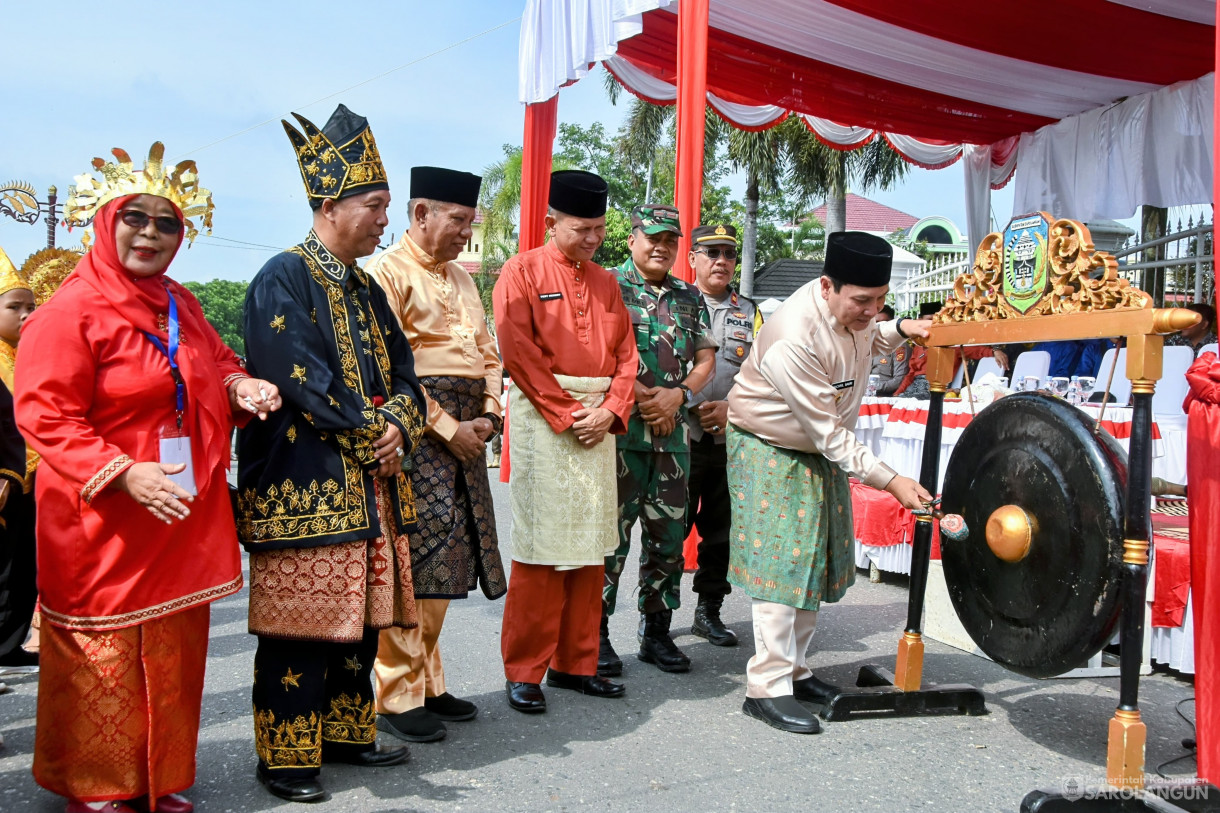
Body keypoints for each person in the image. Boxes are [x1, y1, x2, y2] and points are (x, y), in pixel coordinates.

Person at [15, 142, 282, 813]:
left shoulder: (180, 303)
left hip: (174, 509)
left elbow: (214, 360)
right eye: (135, 217)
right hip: (100, 515)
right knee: (103, 652)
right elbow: (44, 413)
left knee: (171, 645)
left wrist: (240, 384)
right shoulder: (69, 312)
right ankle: (97, 782)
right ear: (104, 222)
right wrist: (122, 471)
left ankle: (154, 776)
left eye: (167, 224)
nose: (151, 234)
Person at [237, 105, 427, 803]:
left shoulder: (368, 288)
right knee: (301, 628)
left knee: (360, 623)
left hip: (371, 483)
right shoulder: (280, 278)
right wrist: (371, 431)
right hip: (305, 484)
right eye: (376, 205)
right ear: (328, 204)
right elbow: (298, 375)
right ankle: (285, 757)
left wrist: (400, 427)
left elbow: (409, 375)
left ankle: (347, 734)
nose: (385, 219)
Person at [725, 231, 932, 735]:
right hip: (771, 445)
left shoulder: (855, 313)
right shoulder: (794, 334)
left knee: (813, 559)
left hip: (816, 447)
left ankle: (795, 672)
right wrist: (892, 481)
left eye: (881, 301)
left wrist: (903, 325)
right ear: (826, 286)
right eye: (863, 301)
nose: (871, 311)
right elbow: (827, 433)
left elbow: (870, 337)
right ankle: (767, 687)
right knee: (784, 562)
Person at [364, 166, 506, 743]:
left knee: (452, 560)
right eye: (457, 221)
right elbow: (390, 372)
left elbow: (490, 354)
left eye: (471, 224)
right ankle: (396, 694)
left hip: (471, 431)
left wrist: (491, 416)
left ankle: (426, 681)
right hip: (420, 435)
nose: (464, 234)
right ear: (420, 214)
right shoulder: (385, 273)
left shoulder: (465, 280)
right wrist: (448, 427)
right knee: (415, 563)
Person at [494, 170, 637, 713]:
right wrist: (569, 412)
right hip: (544, 418)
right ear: (551, 221)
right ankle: (525, 668)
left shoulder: (607, 282)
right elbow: (518, 350)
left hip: (599, 421)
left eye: (600, 229)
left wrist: (612, 411)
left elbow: (627, 355)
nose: (593, 239)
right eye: (582, 229)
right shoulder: (521, 271)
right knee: (542, 549)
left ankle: (576, 663)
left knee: (590, 550)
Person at [599, 205, 716, 677]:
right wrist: (648, 398)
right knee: (610, 540)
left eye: (671, 241)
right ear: (632, 239)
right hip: (621, 437)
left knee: (668, 541)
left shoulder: (689, 295)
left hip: (673, 444)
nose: (661, 247)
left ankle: (657, 632)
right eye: (653, 237)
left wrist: (679, 396)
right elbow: (596, 352)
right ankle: (596, 634)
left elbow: (706, 359)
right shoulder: (607, 285)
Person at [680, 223, 761, 649]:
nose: (721, 261)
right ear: (692, 257)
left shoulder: (750, 311)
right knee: (670, 529)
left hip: (729, 439)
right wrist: (691, 407)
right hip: (680, 436)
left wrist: (732, 410)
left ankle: (708, 611)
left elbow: (763, 373)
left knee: (721, 532)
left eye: (728, 254)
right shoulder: (674, 302)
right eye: (711, 252)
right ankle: (655, 619)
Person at [0, 248, 38, 677]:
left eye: (31, 307)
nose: (26, 315)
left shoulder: (23, 356)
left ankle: (10, 644)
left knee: (20, 570)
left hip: (29, 483)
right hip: (8, 479)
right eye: (15, 307)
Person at [869, 305, 908, 396]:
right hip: (866, 393)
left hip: (886, 395)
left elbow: (899, 380)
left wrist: (874, 388)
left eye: (884, 323)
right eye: (876, 322)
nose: (880, 326)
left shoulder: (900, 346)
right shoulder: (869, 343)